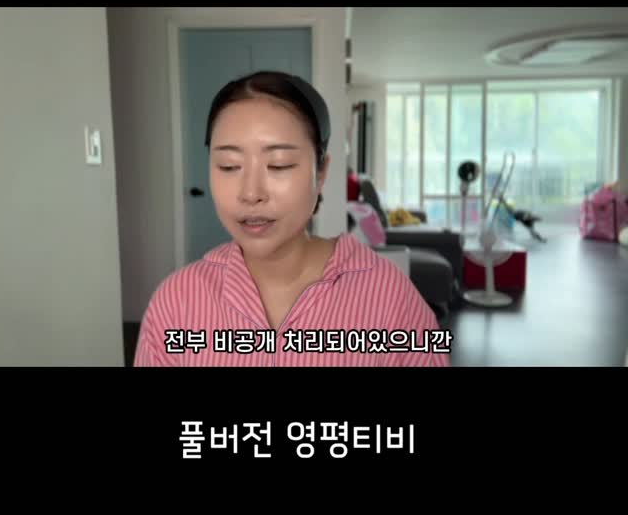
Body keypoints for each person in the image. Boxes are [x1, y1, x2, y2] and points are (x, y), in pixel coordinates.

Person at [134, 71, 450, 366]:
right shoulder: (175, 302)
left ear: (321, 172)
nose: (251, 193)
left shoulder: (388, 294)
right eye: (229, 166)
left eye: (279, 164)